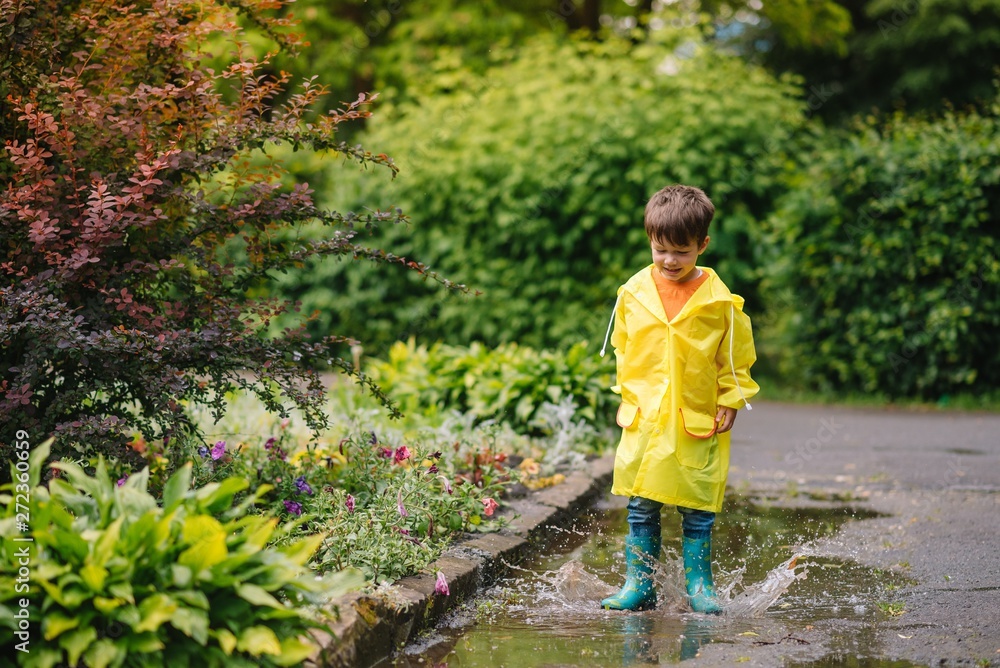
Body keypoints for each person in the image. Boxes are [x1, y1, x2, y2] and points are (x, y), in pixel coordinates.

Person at [598, 184, 759, 614]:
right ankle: (640, 584)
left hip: (696, 416)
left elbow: (735, 356)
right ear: (650, 240)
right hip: (646, 417)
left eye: (682, 252)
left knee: (697, 505)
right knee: (641, 504)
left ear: (703, 245)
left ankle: (700, 587)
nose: (669, 260)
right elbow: (623, 346)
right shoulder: (633, 293)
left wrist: (729, 398)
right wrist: (627, 394)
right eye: (660, 249)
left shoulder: (718, 301)